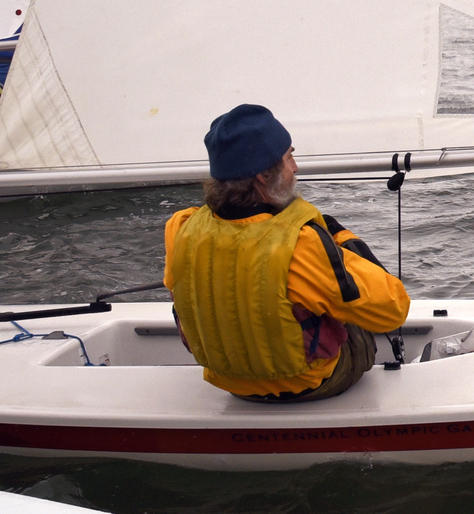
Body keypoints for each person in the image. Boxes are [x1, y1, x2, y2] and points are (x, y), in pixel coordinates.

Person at [163, 104, 410, 402]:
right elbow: (393, 311)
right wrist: (339, 239)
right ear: (264, 177)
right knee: (352, 304)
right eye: (289, 157)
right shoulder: (302, 243)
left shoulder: (181, 227)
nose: (295, 167)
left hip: (230, 383)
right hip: (307, 384)